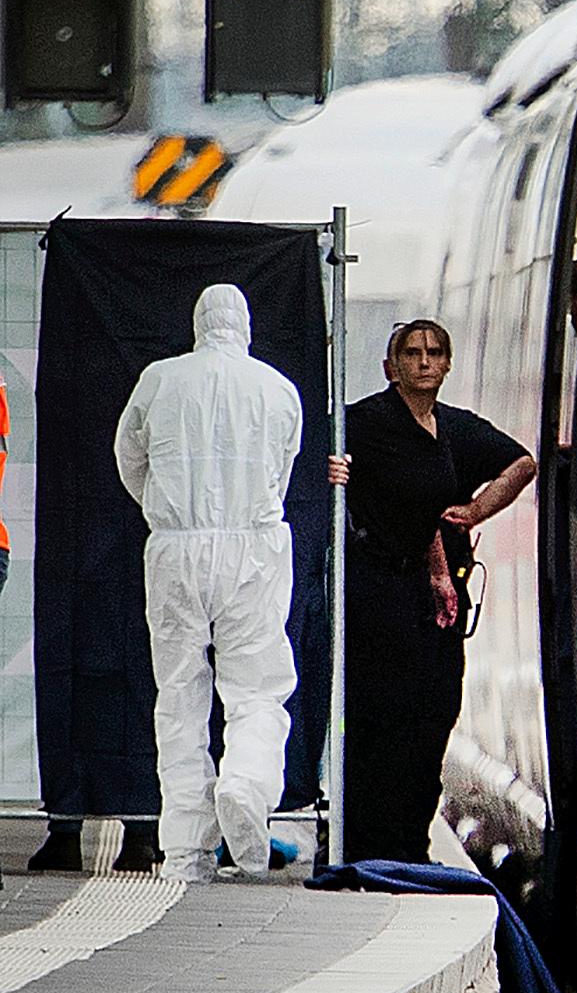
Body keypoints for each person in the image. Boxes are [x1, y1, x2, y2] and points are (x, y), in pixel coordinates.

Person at [114, 285, 302, 883]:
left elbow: (129, 457)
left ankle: (186, 852)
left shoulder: (159, 379)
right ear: (244, 325)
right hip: (252, 547)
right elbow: (282, 471)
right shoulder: (277, 389)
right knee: (256, 688)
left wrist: (165, 514)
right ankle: (245, 784)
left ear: (198, 324)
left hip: (175, 548)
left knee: (178, 696)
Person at [328, 319, 534, 863]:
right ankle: (366, 842)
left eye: (435, 352)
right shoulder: (364, 423)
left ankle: (410, 843)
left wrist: (474, 511)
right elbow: (320, 465)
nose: (424, 362)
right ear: (390, 368)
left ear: (448, 364)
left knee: (435, 710)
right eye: (412, 353)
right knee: (379, 716)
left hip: (437, 605)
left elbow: (522, 463)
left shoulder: (456, 430)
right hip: (379, 591)